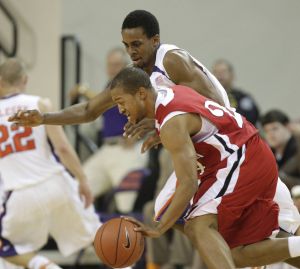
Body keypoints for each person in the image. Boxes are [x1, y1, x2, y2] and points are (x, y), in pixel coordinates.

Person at [7, 9, 300, 267]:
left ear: (154, 40)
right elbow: (88, 109)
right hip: (207, 151)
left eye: (137, 44)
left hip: (230, 150)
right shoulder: (134, 80)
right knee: (199, 226)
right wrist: (44, 118)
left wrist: (167, 125)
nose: (131, 52)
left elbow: (215, 108)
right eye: (126, 46)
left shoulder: (172, 61)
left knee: (195, 223)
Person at [109, 66, 300, 269]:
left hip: (241, 159)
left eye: (121, 102)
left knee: (198, 225)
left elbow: (189, 183)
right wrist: (159, 126)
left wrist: (158, 230)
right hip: (246, 152)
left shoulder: (171, 123)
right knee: (234, 254)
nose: (119, 110)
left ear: (140, 93)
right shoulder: (168, 90)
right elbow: (211, 96)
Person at [0, 58, 101, 269]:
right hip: (56, 184)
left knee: (8, 250)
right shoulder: (40, 104)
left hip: (19, 195)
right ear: (25, 80)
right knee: (99, 238)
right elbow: (63, 148)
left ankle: (44, 265)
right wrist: (82, 179)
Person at [69, 47, 148, 213]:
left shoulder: (133, 83)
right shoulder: (110, 86)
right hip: (108, 147)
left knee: (125, 205)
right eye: (110, 65)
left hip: (129, 149)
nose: (113, 69)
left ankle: (129, 238)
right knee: (77, 188)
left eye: (117, 65)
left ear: (126, 66)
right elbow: (99, 106)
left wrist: (83, 90)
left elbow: (149, 110)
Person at [212, 59, 260, 126]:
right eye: (216, 72)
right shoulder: (208, 98)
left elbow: (253, 120)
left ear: (232, 75)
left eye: (223, 71)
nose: (219, 75)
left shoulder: (243, 98)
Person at [261, 109, 300, 190]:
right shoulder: (267, 153)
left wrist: (278, 177)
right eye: (266, 131)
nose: (270, 134)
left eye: (275, 128)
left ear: (288, 126)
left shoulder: (297, 147)